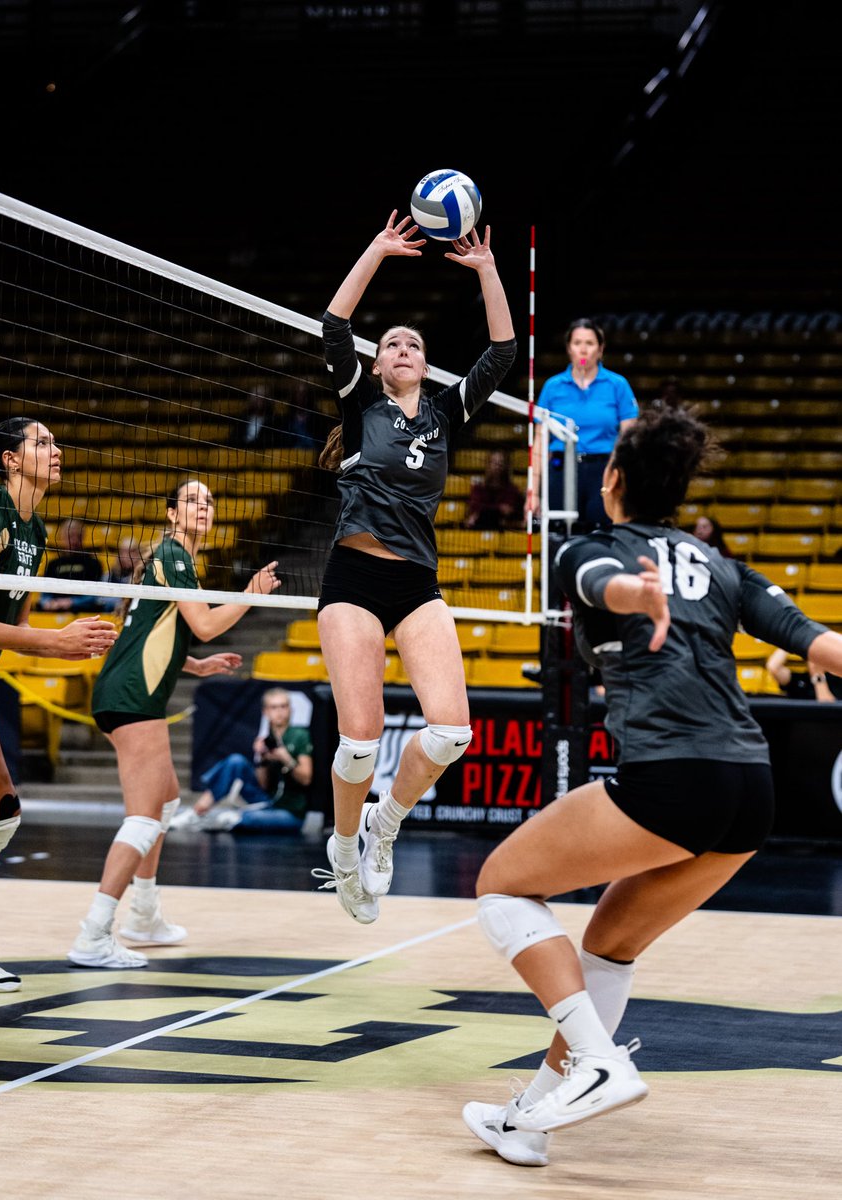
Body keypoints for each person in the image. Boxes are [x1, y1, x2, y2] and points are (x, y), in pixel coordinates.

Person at [461, 405, 842, 1167]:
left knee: (501, 886)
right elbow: (822, 645)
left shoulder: (589, 549)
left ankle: (598, 1064)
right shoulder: (723, 567)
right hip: (751, 787)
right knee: (610, 944)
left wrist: (636, 597)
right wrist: (637, 598)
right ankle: (531, 1122)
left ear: (611, 480)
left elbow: (601, 584)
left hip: (675, 774)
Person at [312, 211, 516, 924]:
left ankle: (385, 823)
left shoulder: (444, 414)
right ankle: (344, 850)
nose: (402, 347)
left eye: (414, 343)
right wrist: (376, 250)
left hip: (415, 583)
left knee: (452, 733)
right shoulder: (361, 403)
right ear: (377, 364)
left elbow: (502, 352)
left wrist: (487, 269)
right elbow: (334, 325)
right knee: (360, 742)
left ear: (425, 365)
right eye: (392, 343)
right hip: (353, 579)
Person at [66, 477, 281, 969]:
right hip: (132, 696)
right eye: (192, 500)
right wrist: (251, 593)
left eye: (209, 501)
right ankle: (93, 934)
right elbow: (204, 625)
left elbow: (150, 634)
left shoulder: (173, 561)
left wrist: (195, 665)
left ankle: (144, 916)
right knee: (144, 818)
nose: (203, 507)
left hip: (127, 691)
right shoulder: (174, 555)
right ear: (171, 513)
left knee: (164, 802)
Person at [0, 418, 118, 993]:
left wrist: (66, 642)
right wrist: (53, 642)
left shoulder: (34, 529)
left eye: (56, 442)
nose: (56, 450)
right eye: (42, 443)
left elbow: (12, 627)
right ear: (10, 459)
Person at [527, 318, 638, 532]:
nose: (583, 349)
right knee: (559, 536)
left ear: (600, 349)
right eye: (577, 343)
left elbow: (629, 439)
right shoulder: (552, 387)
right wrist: (533, 492)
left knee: (602, 535)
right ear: (569, 348)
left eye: (590, 343)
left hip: (604, 471)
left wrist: (622, 479)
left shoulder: (618, 385)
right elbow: (539, 443)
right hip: (561, 471)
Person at [172, 687, 314, 832]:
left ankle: (230, 819)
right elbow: (263, 785)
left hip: (290, 811)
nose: (279, 712)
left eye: (283, 706)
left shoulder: (299, 735)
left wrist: (286, 758)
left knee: (239, 818)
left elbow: (306, 779)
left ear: (290, 709)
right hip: (267, 801)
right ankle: (197, 812)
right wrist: (262, 758)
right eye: (274, 707)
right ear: (265, 711)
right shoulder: (267, 739)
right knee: (236, 761)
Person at [37, 517, 107, 611]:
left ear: (83, 537)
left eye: (78, 536)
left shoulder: (93, 563)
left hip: (84, 611)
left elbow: (96, 595)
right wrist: (47, 602)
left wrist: (72, 602)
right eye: (70, 536)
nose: (74, 540)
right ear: (62, 537)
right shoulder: (53, 564)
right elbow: (45, 594)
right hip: (55, 611)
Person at [464, 449, 524, 531]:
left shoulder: (512, 490)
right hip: (481, 527)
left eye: (500, 462)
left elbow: (509, 510)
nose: (497, 466)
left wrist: (489, 509)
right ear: (488, 464)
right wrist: (499, 508)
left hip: (503, 529)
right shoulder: (479, 488)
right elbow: (475, 508)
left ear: (505, 466)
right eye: (494, 462)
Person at [764, 647, 839, 701]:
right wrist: (790, 642)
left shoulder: (836, 679)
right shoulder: (802, 678)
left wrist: (818, 675)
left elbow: (829, 708)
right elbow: (773, 667)